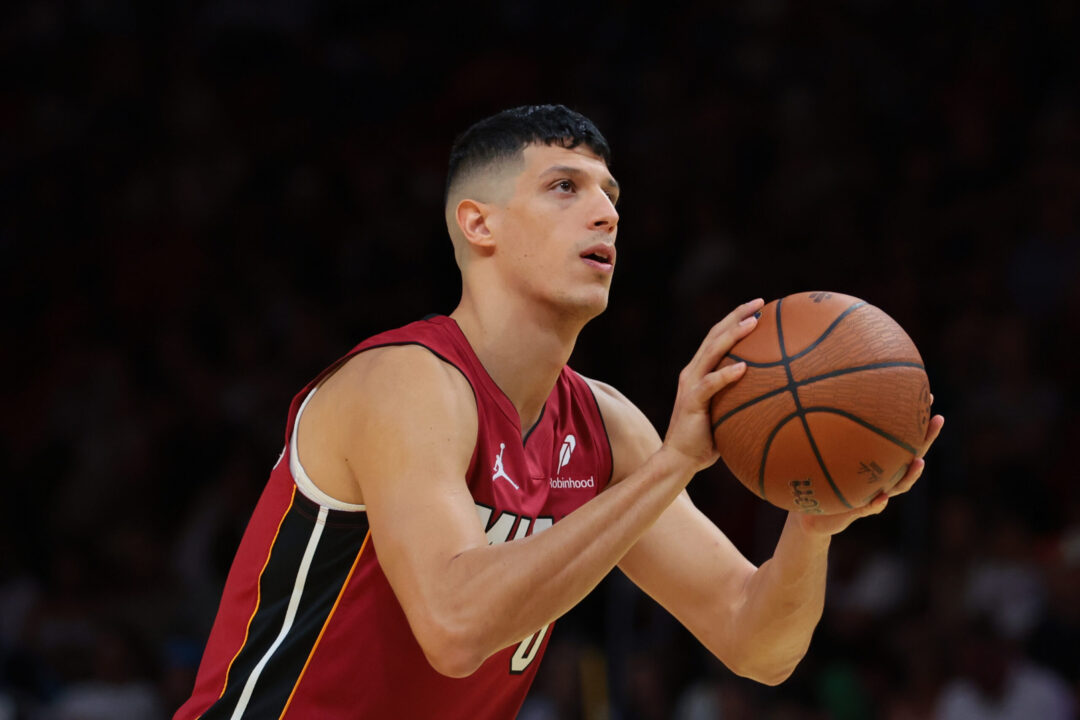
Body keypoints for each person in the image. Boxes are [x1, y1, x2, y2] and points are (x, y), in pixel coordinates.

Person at [174, 104, 944, 720]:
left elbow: (758, 643)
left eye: (611, 196)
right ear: (480, 224)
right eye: (565, 187)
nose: (605, 215)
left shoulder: (604, 428)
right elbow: (455, 626)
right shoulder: (405, 382)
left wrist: (813, 521)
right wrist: (675, 464)